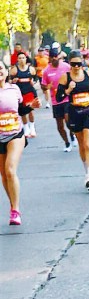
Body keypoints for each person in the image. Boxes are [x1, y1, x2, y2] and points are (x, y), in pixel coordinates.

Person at [0, 60, 39, 225]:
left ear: (7, 71)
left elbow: (21, 109)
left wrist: (31, 106)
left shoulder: (14, 89)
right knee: (4, 174)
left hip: (15, 134)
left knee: (10, 169)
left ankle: (15, 210)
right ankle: (12, 206)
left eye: (0, 68)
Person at [56, 50, 89, 191]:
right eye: (73, 64)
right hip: (74, 112)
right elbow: (58, 98)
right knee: (81, 145)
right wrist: (68, 90)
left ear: (82, 63)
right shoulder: (65, 77)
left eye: (79, 64)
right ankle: (87, 171)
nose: (76, 67)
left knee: (88, 144)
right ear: (69, 64)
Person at [41, 48, 72, 151]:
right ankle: (67, 143)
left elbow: (73, 77)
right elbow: (43, 86)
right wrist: (46, 87)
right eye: (52, 57)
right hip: (56, 101)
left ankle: (72, 134)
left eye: (56, 56)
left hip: (67, 98)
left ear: (59, 56)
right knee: (60, 126)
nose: (55, 58)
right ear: (49, 58)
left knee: (68, 120)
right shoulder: (46, 71)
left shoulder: (66, 67)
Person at [9, 51, 38, 138]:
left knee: (31, 110)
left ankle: (32, 128)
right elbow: (8, 81)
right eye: (20, 58)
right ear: (17, 60)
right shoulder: (14, 70)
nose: (21, 60)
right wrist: (12, 82)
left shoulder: (31, 69)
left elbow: (36, 78)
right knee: (22, 112)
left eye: (23, 58)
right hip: (20, 93)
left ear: (26, 59)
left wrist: (34, 82)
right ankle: (26, 128)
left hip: (29, 92)